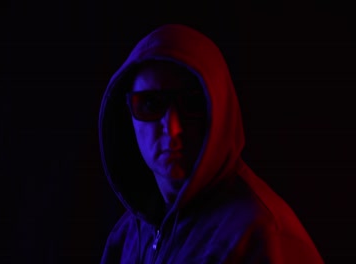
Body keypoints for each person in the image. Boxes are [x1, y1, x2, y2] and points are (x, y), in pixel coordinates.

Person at [98, 24, 324, 263]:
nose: (173, 129)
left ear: (220, 109)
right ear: (127, 115)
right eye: (151, 105)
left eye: (192, 104)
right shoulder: (130, 235)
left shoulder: (263, 236)